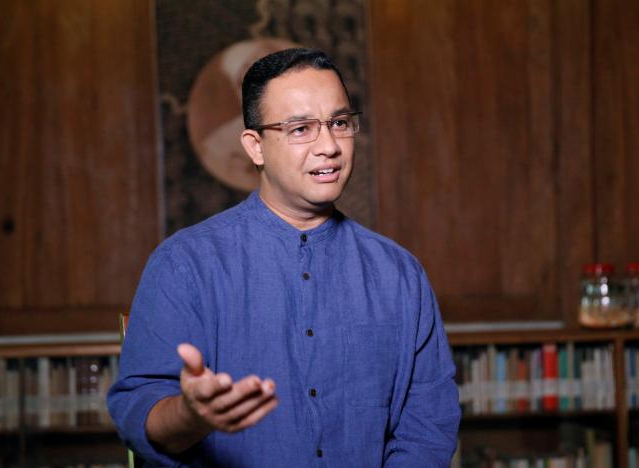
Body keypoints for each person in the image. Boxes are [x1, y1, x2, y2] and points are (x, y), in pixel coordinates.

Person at [108, 48, 460, 467]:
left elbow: (428, 426)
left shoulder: (399, 273)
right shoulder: (184, 265)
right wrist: (190, 414)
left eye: (339, 123)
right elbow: (137, 413)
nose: (329, 146)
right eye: (300, 129)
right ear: (255, 147)